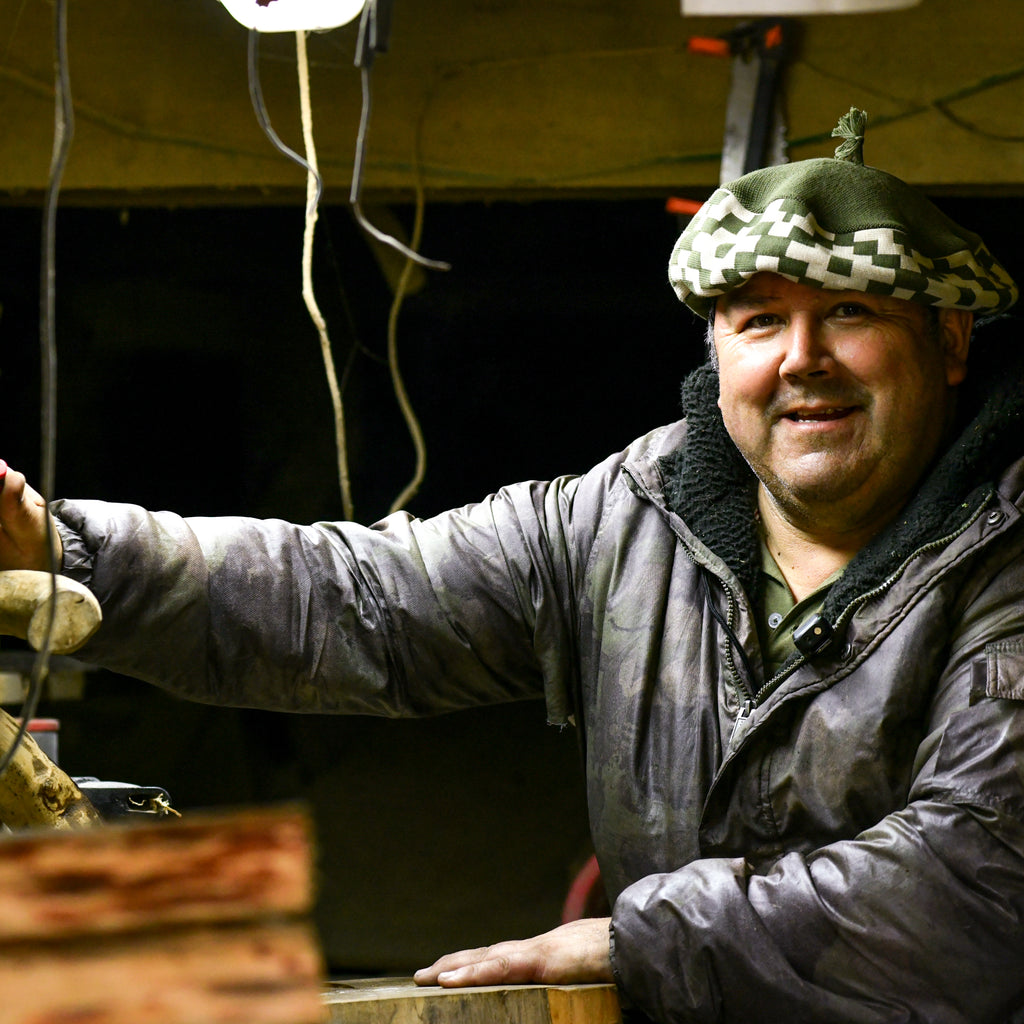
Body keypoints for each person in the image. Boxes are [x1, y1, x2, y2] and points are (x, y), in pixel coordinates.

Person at [2, 108, 1024, 1022]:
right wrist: (63, 550)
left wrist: (639, 944)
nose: (802, 356)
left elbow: (977, 886)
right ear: (717, 354)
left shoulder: (1003, 553)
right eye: (760, 320)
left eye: (850, 312)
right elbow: (357, 600)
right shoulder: (623, 523)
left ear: (946, 342)